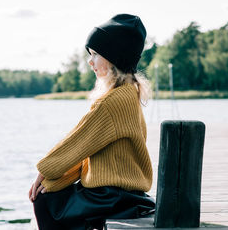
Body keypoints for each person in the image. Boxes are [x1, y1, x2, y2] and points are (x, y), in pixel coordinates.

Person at [29, 14, 155, 230]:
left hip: (111, 196)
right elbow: (85, 153)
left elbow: (76, 144)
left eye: (95, 54)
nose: (90, 62)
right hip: (126, 194)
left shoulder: (112, 102)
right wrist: (54, 180)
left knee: (47, 203)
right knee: (52, 194)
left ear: (114, 57)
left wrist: (44, 173)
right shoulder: (128, 93)